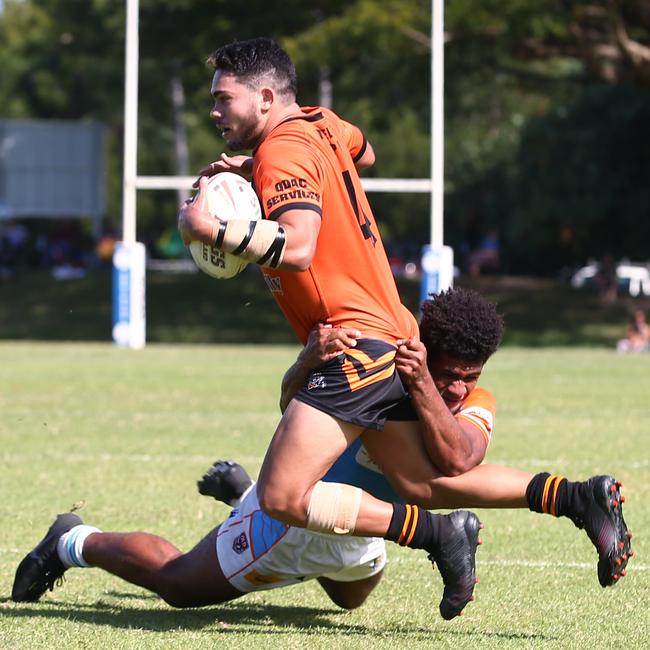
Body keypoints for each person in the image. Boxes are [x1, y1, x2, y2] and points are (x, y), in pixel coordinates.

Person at [177, 36, 483, 618]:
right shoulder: (319, 123)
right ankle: (573, 496)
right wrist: (269, 168)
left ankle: (439, 536)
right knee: (419, 481)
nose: (214, 112)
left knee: (284, 495)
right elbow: (362, 153)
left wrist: (206, 228)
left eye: (224, 99)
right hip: (390, 333)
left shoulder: (283, 149)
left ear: (265, 96)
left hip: (353, 340)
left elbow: (297, 247)